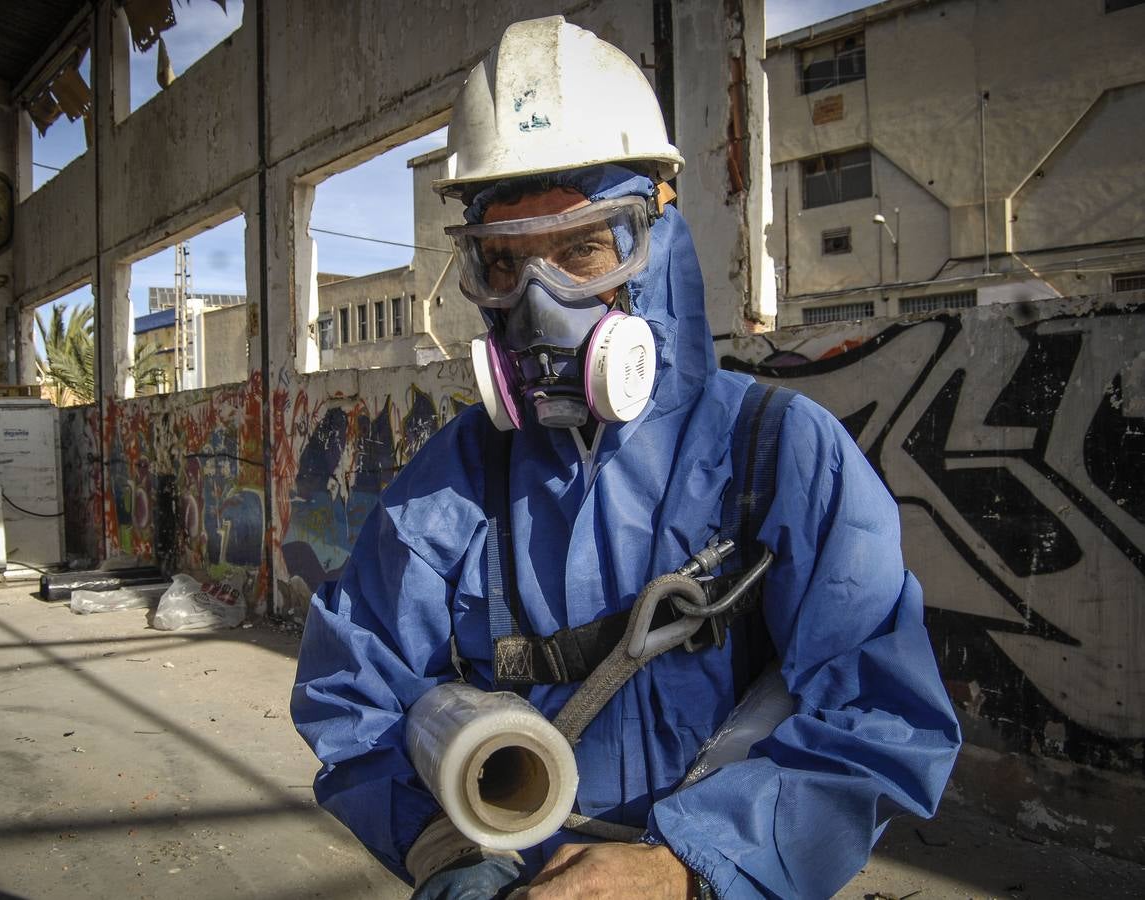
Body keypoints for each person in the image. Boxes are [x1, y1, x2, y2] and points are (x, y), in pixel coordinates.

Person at [292, 16, 960, 900]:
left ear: (656, 240)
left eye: (579, 250)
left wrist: (686, 868)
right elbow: (349, 688)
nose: (539, 306)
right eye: (504, 264)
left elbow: (879, 715)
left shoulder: (783, 454)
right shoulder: (457, 480)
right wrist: (450, 858)